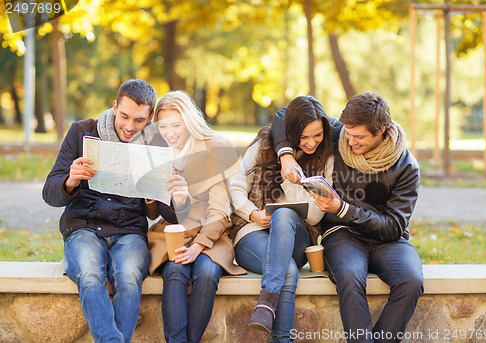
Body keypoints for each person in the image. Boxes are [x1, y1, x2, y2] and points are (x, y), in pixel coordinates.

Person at [272, 92, 424, 343]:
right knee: (350, 275)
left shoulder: (406, 166)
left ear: (381, 131)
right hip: (341, 234)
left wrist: (343, 208)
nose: (350, 141)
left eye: (359, 137)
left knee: (411, 281)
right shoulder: (340, 132)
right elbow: (283, 115)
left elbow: (395, 226)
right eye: (348, 134)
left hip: (387, 238)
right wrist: (286, 156)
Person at [42, 79, 158, 343]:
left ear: (150, 117)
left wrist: (154, 197)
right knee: (91, 274)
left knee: (129, 278)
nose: (130, 127)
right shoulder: (82, 131)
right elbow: (49, 193)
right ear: (115, 106)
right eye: (124, 116)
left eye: (139, 120)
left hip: (129, 230)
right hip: (83, 227)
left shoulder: (156, 146)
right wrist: (70, 181)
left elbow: (163, 212)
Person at [230, 96, 334, 341]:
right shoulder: (264, 145)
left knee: (284, 214)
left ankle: (266, 302)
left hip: (296, 239)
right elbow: (235, 189)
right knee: (286, 270)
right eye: (304, 136)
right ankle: (281, 337)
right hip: (251, 234)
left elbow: (317, 213)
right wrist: (253, 214)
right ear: (289, 132)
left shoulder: (325, 157)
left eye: (317, 135)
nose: (311, 143)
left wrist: (291, 179)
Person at [146, 90, 246, 343]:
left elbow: (220, 210)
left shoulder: (215, 148)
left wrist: (199, 246)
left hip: (210, 233)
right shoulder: (159, 152)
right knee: (175, 272)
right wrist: (150, 191)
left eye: (176, 125)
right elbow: (154, 212)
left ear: (189, 121)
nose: (169, 133)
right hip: (173, 232)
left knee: (206, 272)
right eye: (164, 126)